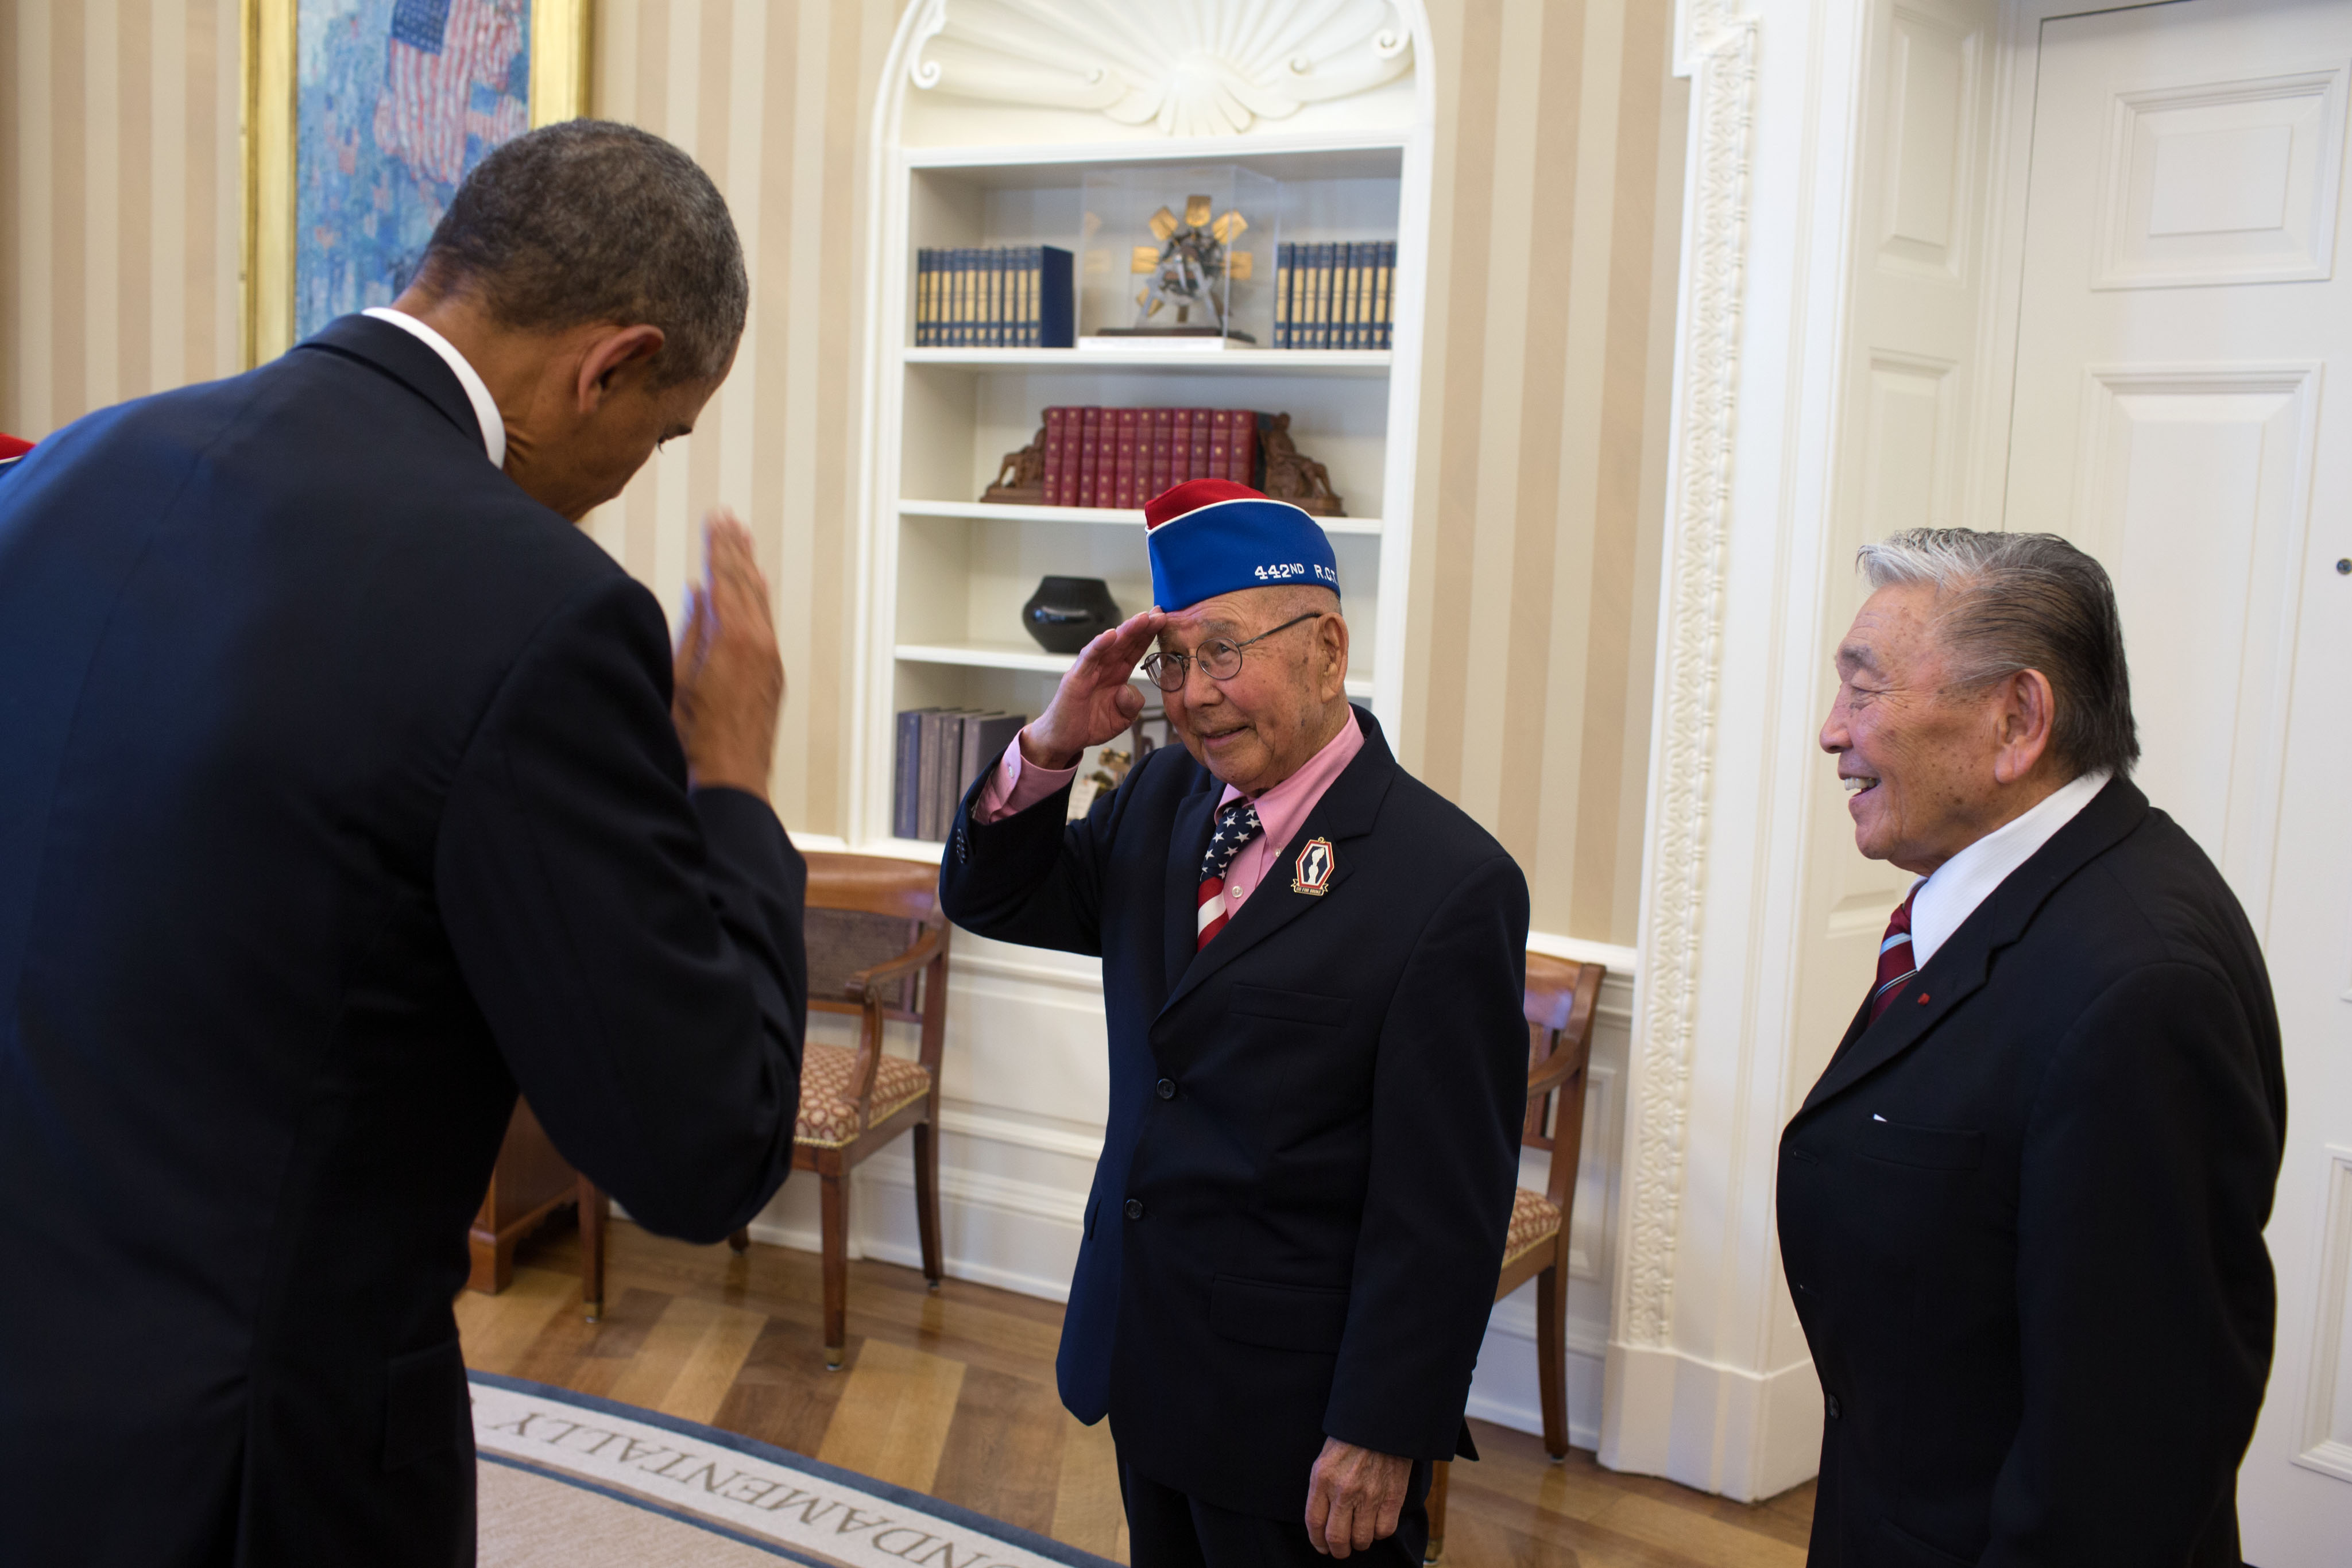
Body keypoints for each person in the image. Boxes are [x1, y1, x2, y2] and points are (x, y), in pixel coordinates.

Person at [0, 122, 807, 1566]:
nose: (637, 471)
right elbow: (699, 1145)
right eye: (661, 430)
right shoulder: (541, 609)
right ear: (610, 363)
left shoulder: (61, 474)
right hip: (258, 1469)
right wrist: (732, 785)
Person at [939, 478, 1531, 1566]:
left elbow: (1442, 1204)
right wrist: (1055, 743)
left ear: (1328, 649)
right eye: (1174, 662)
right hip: (1144, 1354)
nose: (1196, 695)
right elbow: (994, 897)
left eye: (1224, 652)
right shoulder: (1161, 803)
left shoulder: (1448, 883)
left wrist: (1381, 1427)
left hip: (1298, 1419)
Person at [1781, 528, 2285, 1565]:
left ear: (2017, 719)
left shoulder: (2141, 991)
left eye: (1864, 690)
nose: (1833, 732)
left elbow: (2122, 1464)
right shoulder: (2001, 897)